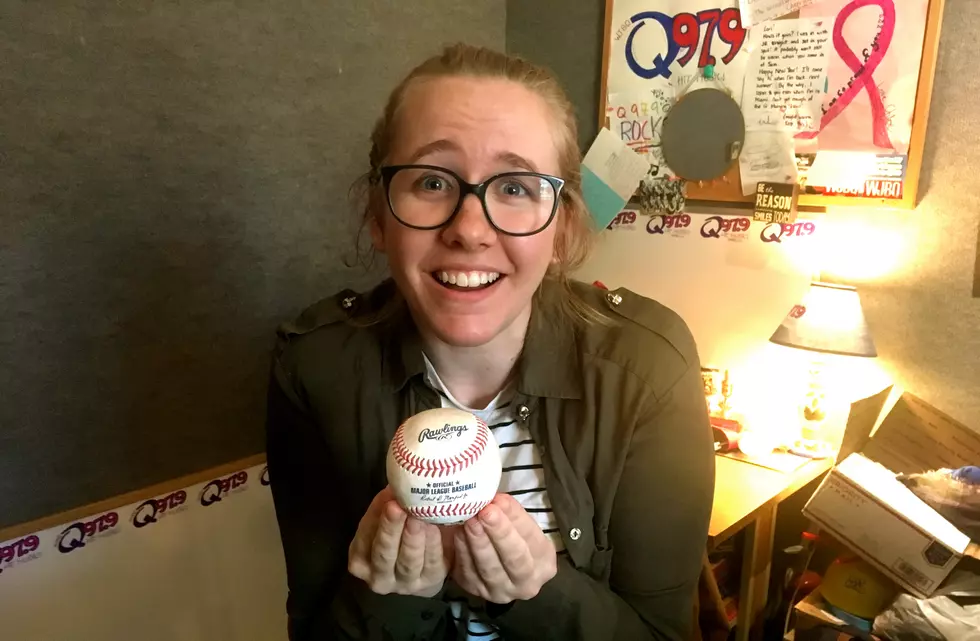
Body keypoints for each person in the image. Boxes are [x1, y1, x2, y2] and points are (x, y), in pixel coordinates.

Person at [265, 43, 715, 641]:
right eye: (431, 181)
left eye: (516, 188)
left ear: (562, 227)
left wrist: (540, 594)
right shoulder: (313, 369)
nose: (470, 230)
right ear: (378, 215)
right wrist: (389, 601)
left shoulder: (649, 370)